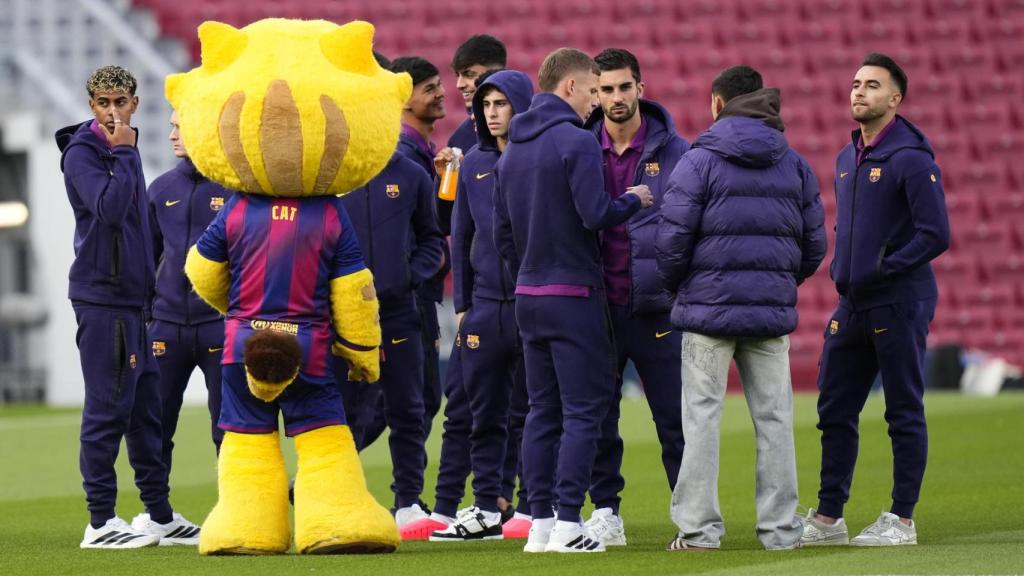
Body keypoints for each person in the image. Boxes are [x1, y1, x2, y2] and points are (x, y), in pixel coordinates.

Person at [656, 65, 826, 551]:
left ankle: (699, 532)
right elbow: (814, 246)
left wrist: (682, 287)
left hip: (707, 312)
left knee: (701, 420)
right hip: (769, 315)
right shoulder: (793, 163)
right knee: (775, 420)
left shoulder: (698, 159)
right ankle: (779, 532)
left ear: (717, 102)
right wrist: (775, 282)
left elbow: (671, 241)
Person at [493, 48, 653, 553]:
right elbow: (595, 213)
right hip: (574, 294)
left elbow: (501, 235)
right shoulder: (576, 142)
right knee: (584, 410)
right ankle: (568, 522)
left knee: (542, 411)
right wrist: (636, 200)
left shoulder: (511, 149)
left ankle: (539, 524)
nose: (595, 102)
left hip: (528, 295)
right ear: (570, 87)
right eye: (591, 90)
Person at [801, 53, 950, 547]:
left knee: (902, 410)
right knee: (833, 407)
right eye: (855, 83)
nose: (859, 91)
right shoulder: (848, 158)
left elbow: (935, 234)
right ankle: (828, 518)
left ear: (895, 98)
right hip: (852, 304)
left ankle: (902, 520)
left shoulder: (911, 158)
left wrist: (883, 267)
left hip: (899, 301)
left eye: (872, 85)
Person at [56, 65, 199, 549]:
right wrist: (124, 152)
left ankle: (158, 515)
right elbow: (111, 210)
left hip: (135, 305)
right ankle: (99, 522)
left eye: (120, 101)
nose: (113, 111)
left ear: (136, 102)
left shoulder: (124, 154)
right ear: (91, 106)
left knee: (145, 415)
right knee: (106, 411)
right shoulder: (86, 153)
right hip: (103, 302)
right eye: (103, 103)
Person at [581, 48, 690, 547]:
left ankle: (691, 516)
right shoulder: (579, 149)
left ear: (641, 89)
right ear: (595, 93)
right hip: (597, 306)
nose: (617, 98)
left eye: (625, 87)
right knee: (601, 418)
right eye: (606, 89)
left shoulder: (678, 153)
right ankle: (606, 511)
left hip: (658, 307)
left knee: (674, 419)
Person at [429, 69, 534, 542]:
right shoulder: (470, 162)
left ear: (520, 106)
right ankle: (486, 506)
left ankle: (535, 506)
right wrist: (465, 304)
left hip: (534, 304)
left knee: (535, 412)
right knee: (483, 413)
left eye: (501, 104)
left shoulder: (540, 158)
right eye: (486, 105)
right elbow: (462, 235)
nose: (492, 113)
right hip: (486, 308)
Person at [337, 150, 447, 536]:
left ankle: (408, 502)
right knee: (343, 415)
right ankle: (340, 500)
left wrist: (408, 277)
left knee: (408, 410)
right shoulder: (334, 171)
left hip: (400, 312)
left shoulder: (412, 174)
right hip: (343, 316)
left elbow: (434, 241)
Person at [146, 110, 232, 480]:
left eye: (179, 127)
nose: (171, 136)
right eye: (170, 127)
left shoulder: (234, 188)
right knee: (155, 425)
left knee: (228, 428)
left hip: (219, 325)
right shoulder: (160, 189)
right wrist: (150, 316)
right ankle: (157, 513)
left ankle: (238, 513)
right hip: (166, 327)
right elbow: (145, 259)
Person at [390, 56, 450, 456]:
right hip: (408, 295)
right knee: (414, 400)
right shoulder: (403, 159)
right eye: (428, 88)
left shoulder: (426, 155)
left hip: (419, 291)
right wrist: (412, 274)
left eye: (438, 84)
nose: (441, 92)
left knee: (419, 399)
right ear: (403, 99)